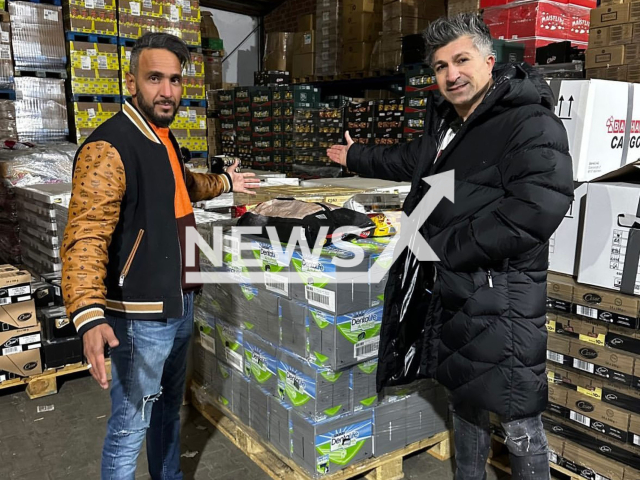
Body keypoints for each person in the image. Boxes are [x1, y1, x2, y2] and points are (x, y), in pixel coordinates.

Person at [327, 14, 573, 480]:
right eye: (440, 67)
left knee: (517, 415)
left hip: (503, 298)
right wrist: (354, 155)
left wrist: (445, 248)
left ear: (488, 59)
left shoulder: (530, 122)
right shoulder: (447, 121)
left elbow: (536, 209)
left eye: (460, 60)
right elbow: (410, 160)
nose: (451, 74)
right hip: (458, 292)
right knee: (465, 400)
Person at [61, 32, 260, 480]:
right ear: (131, 82)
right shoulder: (109, 147)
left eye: (174, 79)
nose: (167, 91)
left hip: (180, 301)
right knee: (130, 427)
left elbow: (183, 187)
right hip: (140, 317)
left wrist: (227, 183)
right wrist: (88, 313)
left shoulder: (161, 138)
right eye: (155, 78)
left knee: (170, 409)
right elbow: (85, 236)